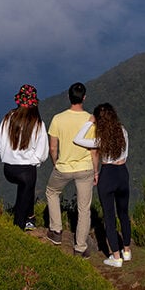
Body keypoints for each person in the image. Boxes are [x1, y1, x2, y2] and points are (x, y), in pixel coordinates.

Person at [74, 102, 131, 268]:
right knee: (123, 213)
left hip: (108, 174)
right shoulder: (123, 132)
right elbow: (125, 154)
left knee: (109, 217)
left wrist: (89, 122)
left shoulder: (100, 139)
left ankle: (115, 257)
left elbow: (77, 139)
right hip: (122, 173)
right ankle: (126, 251)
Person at [44, 82, 96, 256]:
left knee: (52, 191)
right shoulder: (91, 119)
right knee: (84, 209)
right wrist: (96, 171)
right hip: (86, 168)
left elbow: (52, 148)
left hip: (63, 167)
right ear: (84, 98)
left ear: (68, 97)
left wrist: (56, 163)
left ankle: (56, 230)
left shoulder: (58, 119)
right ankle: (80, 248)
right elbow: (94, 149)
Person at [0, 84, 48, 231]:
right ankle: (19, 226)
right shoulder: (37, 123)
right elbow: (42, 153)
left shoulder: (8, 118)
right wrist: (32, 162)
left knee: (25, 188)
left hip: (8, 169)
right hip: (26, 172)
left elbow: (0, 145)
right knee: (28, 184)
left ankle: (29, 216)